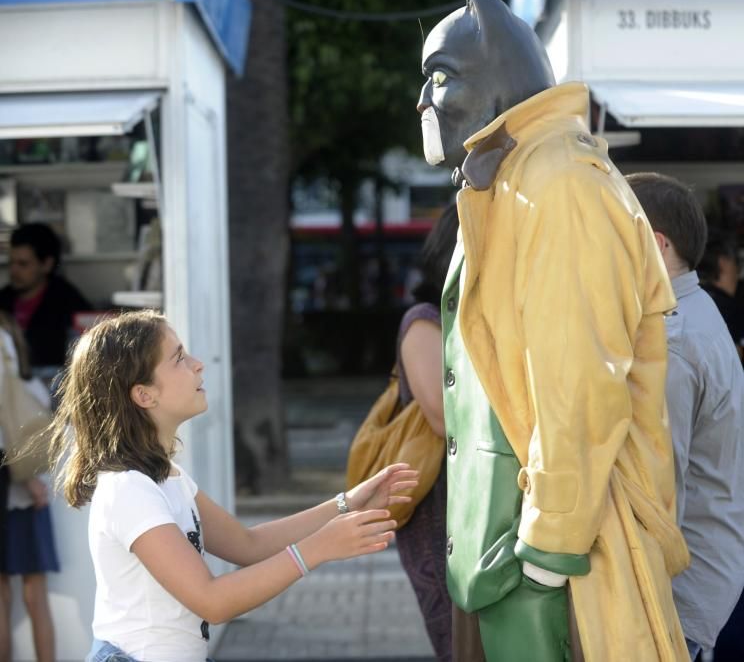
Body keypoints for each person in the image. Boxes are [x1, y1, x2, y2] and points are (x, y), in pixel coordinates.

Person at [417, 0, 688, 661]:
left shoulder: (558, 183)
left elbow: (580, 384)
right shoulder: (515, 179)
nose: (423, 102)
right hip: (503, 564)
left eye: (440, 78)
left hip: (549, 568)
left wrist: (548, 547)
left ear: (494, 80)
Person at [40, 310, 417, 662]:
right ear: (143, 395)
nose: (198, 364)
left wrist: (347, 503)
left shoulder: (164, 476)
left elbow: (247, 546)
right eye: (179, 358)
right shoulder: (128, 490)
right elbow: (212, 601)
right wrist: (317, 549)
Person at [628, 174, 744, 661]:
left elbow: (660, 491)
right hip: (702, 577)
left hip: (683, 593)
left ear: (656, 244)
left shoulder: (673, 340)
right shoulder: (691, 314)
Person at [395, 203, 458, 662]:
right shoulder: (424, 321)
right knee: (459, 644)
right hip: (441, 512)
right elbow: (443, 417)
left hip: (480, 511)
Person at [0, 311, 59, 662]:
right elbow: (7, 413)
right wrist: (29, 476)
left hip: (11, 474)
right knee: (34, 590)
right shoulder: (4, 338)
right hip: (15, 476)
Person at [0, 223, 91, 369]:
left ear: (47, 264)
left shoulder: (68, 303)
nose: (13, 271)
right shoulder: (4, 299)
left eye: (23, 264)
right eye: (11, 263)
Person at [697, 230, 744, 361]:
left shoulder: (696, 299)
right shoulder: (731, 309)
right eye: (737, 262)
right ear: (724, 262)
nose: (738, 271)